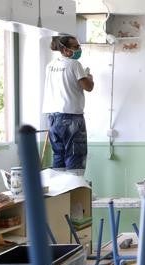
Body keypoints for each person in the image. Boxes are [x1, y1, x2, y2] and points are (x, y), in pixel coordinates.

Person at [42, 35, 94, 176]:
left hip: (53, 118)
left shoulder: (50, 66)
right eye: (76, 47)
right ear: (65, 50)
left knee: (59, 156)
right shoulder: (74, 64)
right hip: (71, 117)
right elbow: (88, 87)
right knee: (75, 156)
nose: (79, 49)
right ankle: (75, 192)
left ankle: (62, 195)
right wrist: (89, 78)